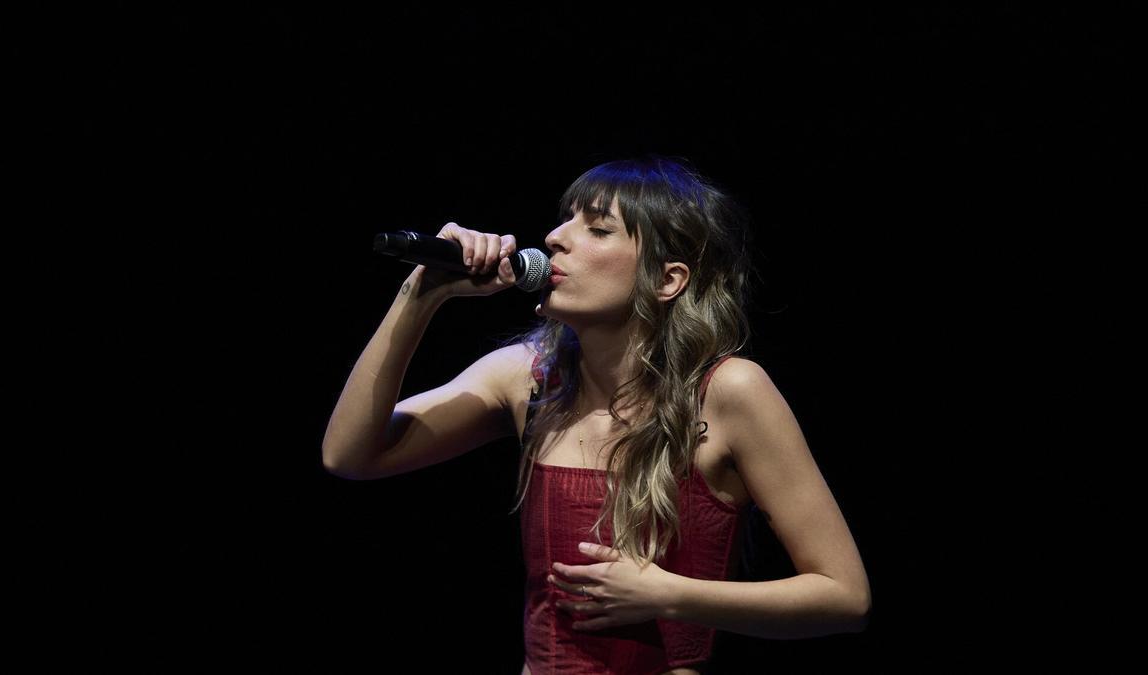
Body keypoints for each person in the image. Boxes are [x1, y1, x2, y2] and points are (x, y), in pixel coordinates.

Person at [322, 155, 871, 674]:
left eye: (598, 229)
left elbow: (843, 596)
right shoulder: (527, 376)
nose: (555, 237)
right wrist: (421, 295)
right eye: (565, 220)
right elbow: (349, 455)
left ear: (667, 280)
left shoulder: (728, 392)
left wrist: (670, 595)